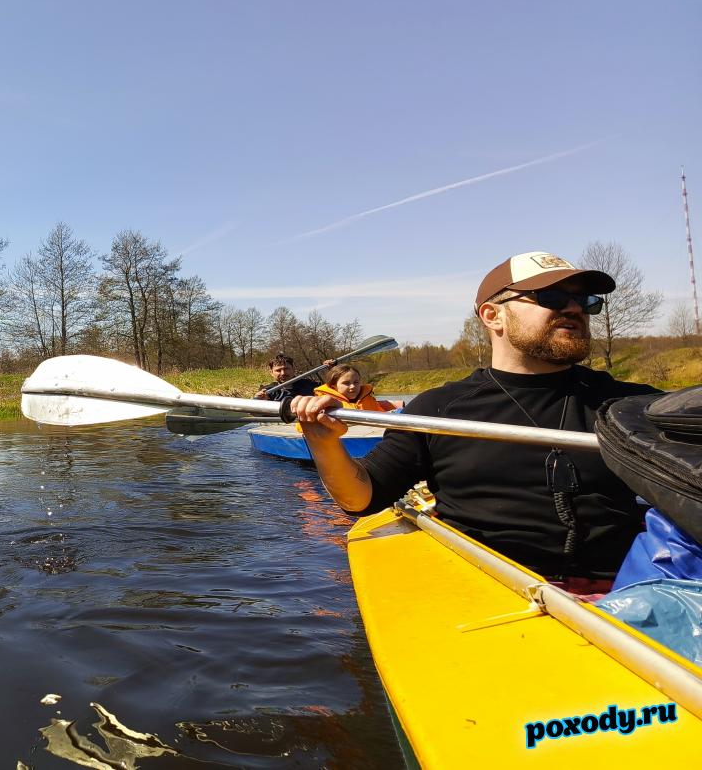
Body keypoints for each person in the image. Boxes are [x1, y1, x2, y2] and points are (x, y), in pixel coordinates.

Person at [290, 250, 660, 591]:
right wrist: (323, 444)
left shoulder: (633, 405)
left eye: (584, 301)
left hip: (625, 590)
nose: (574, 309)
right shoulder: (438, 409)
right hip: (489, 590)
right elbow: (361, 498)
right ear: (492, 315)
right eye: (551, 298)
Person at [314, 364, 402, 412]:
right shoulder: (325, 404)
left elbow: (381, 413)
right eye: (346, 383)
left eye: (356, 382)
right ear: (334, 386)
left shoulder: (368, 398)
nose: (353, 386)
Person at [255, 353, 334, 402]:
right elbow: (258, 413)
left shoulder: (310, 385)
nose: (283, 373)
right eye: (278, 370)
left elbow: (333, 388)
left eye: (286, 369)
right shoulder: (267, 391)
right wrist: (264, 401)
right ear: (271, 373)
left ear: (293, 369)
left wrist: (333, 370)